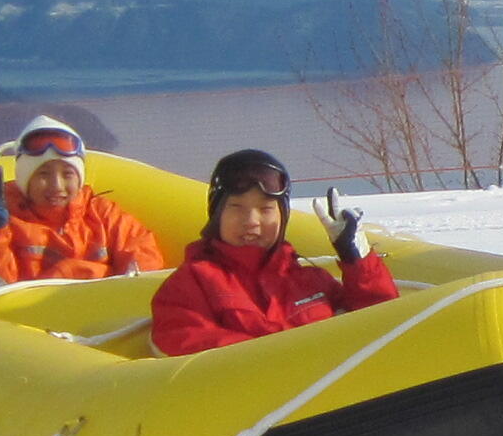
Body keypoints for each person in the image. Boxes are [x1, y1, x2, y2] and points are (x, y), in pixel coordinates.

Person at [150, 148, 399, 356]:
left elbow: (383, 323)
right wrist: (290, 351)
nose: (251, 221)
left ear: (282, 217)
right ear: (217, 216)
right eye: (237, 208)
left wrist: (358, 260)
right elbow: (182, 340)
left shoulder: (311, 281)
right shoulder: (191, 284)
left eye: (266, 209)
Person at [0, 116, 166, 299]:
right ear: (25, 178)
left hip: (98, 307)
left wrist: (130, 291)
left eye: (67, 174)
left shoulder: (102, 213)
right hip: (30, 316)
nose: (56, 186)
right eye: (43, 175)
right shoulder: (5, 215)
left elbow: (141, 253)